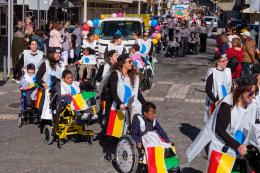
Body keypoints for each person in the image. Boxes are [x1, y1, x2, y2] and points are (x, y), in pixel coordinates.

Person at [187, 75, 257, 172]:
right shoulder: (227, 105)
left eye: (255, 92)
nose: (254, 96)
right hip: (222, 151)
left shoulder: (249, 103)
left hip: (238, 152)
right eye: (251, 93)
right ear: (241, 91)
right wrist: (238, 146)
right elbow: (220, 130)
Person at [103, 54, 146, 159]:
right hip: (117, 106)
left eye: (132, 61)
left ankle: (130, 147)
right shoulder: (115, 74)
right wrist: (119, 103)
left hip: (130, 106)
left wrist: (145, 103)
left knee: (130, 128)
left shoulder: (132, 76)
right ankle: (108, 150)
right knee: (114, 131)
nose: (132, 63)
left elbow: (136, 93)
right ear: (123, 63)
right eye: (129, 61)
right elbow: (113, 91)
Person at [204, 54, 232, 122]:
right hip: (216, 101)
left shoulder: (228, 71)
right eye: (223, 61)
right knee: (214, 122)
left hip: (226, 101)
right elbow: (208, 89)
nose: (226, 62)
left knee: (224, 122)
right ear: (218, 62)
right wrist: (215, 101)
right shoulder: (212, 72)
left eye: (226, 60)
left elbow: (229, 86)